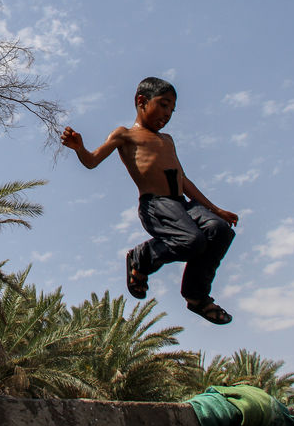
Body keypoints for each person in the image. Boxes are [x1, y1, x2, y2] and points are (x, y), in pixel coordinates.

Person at [61, 77, 239, 325]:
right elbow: (92, 161)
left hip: (181, 205)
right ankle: (142, 257)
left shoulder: (167, 140)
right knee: (192, 241)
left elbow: (183, 180)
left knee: (220, 231)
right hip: (156, 205)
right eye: (164, 105)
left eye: (172, 109)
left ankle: (197, 296)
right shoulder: (125, 135)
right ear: (141, 101)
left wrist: (215, 209)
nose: (167, 114)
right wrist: (79, 148)